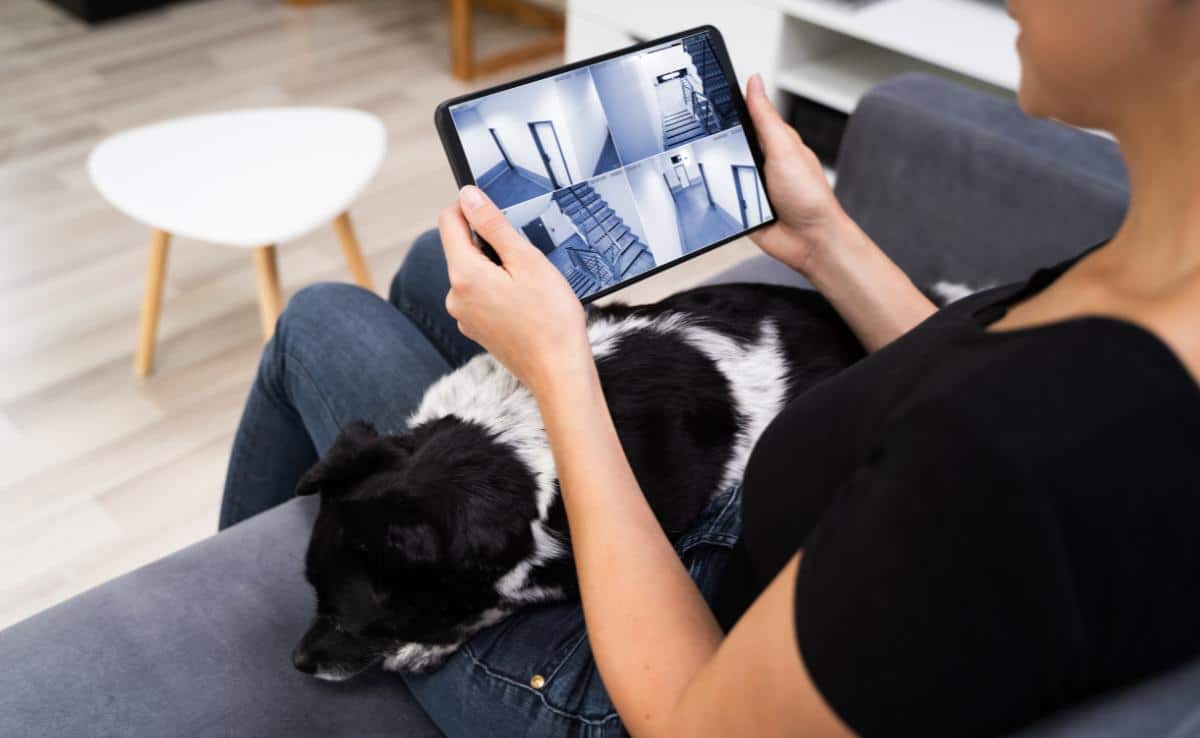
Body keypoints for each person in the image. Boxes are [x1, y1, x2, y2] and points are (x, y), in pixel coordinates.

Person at [220, 1, 1200, 735]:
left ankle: (232, 655)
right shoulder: (1157, 270)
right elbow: (963, 366)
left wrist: (561, 371)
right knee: (444, 272)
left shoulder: (1017, 459)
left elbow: (697, 721)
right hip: (764, 530)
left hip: (645, 669)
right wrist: (824, 242)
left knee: (318, 319)